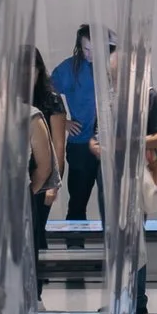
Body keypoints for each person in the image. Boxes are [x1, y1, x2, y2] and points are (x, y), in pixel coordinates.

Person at [90, 42, 157, 314]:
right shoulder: (110, 100)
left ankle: (136, 299)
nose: (116, 80)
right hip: (110, 173)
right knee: (114, 237)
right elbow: (97, 133)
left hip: (136, 173)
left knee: (134, 239)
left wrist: (129, 142)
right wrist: (96, 144)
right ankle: (120, 297)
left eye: (120, 74)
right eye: (113, 75)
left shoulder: (149, 97)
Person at [50, 24, 103, 231]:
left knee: (114, 202)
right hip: (81, 143)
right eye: (86, 49)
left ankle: (115, 253)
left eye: (94, 49)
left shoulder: (113, 66)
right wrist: (64, 122)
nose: (90, 54)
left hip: (111, 145)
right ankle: (74, 247)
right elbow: (46, 94)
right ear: (79, 48)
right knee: (78, 200)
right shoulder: (70, 68)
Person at [25, 46, 68, 271]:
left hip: (44, 171)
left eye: (30, 70)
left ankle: (36, 287)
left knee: (36, 231)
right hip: (20, 172)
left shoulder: (51, 100)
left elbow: (59, 146)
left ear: (39, 70)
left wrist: (53, 186)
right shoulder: (9, 100)